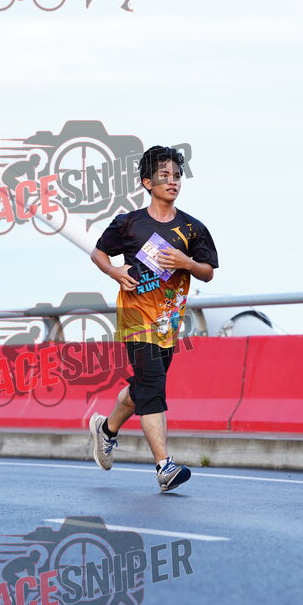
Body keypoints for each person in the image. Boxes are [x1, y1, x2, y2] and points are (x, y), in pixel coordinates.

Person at [88, 145, 219, 492]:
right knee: (154, 386)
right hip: (135, 318)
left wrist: (187, 263)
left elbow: (208, 273)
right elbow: (98, 253)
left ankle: (106, 429)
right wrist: (114, 271)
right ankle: (165, 467)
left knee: (145, 387)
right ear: (147, 182)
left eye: (177, 176)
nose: (172, 182)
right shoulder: (128, 224)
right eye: (164, 176)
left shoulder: (192, 228)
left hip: (167, 322)